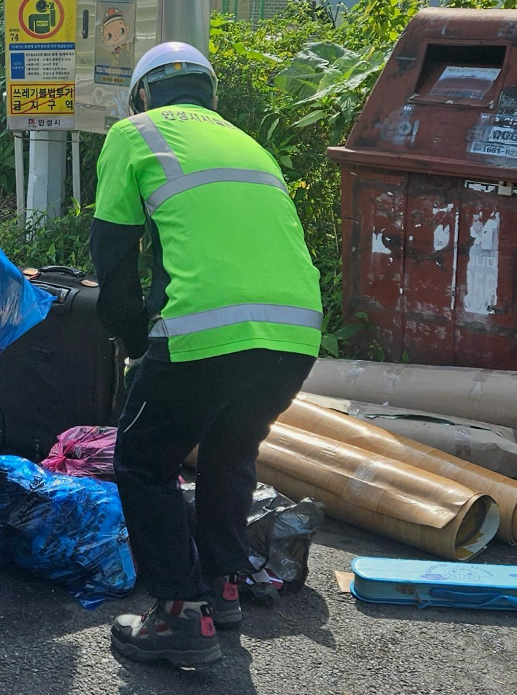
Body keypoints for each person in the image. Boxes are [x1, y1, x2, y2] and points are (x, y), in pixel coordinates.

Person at [89, 41, 324, 667]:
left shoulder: (133, 134)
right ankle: (222, 586)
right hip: (295, 335)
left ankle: (177, 615)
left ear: (142, 96)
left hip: (203, 330)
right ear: (211, 96)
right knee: (231, 447)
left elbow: (113, 262)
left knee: (142, 462)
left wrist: (138, 345)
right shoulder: (250, 145)